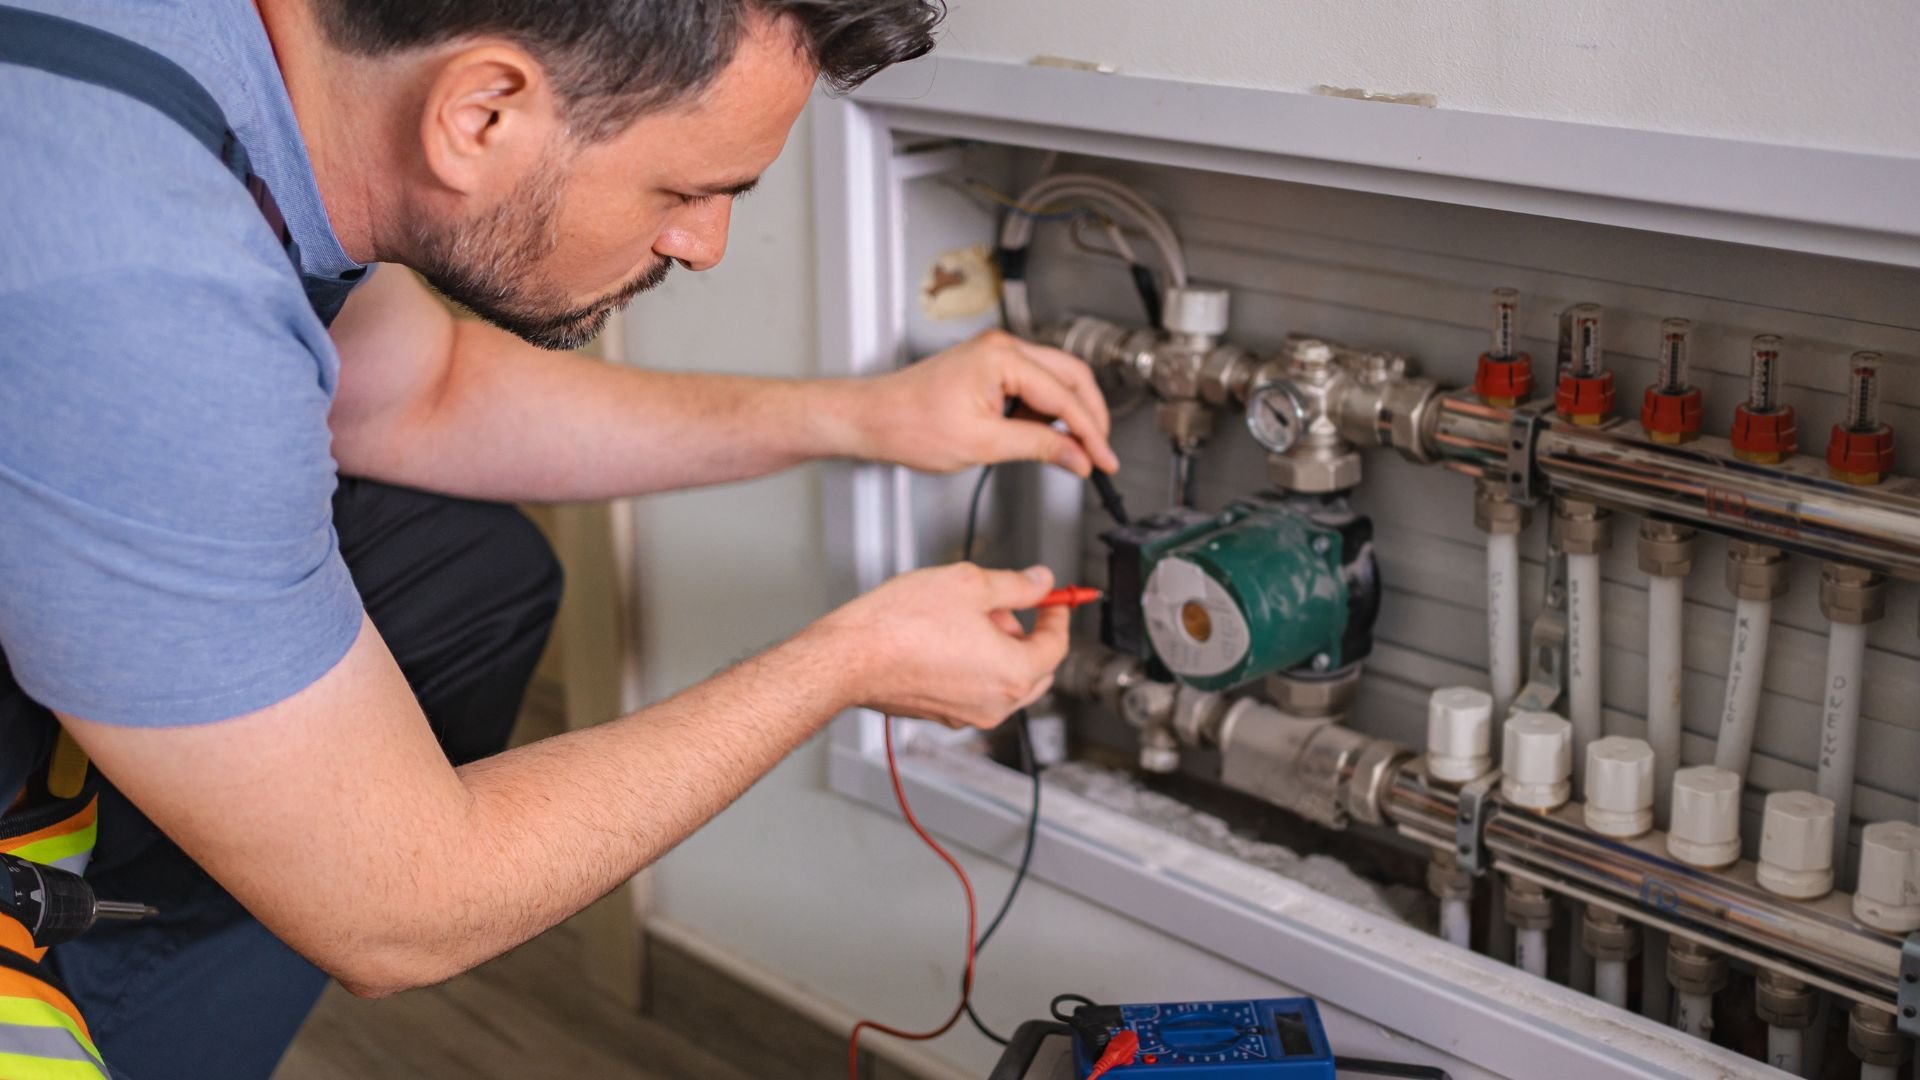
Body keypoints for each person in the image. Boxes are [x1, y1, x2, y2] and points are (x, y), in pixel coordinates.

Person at [0, 0, 1121, 1075]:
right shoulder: (140, 278)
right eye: (686, 188)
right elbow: (402, 908)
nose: (705, 242)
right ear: (481, 113)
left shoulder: (232, 69)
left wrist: (860, 415)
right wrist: (848, 661)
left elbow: (417, 391)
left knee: (466, 579)